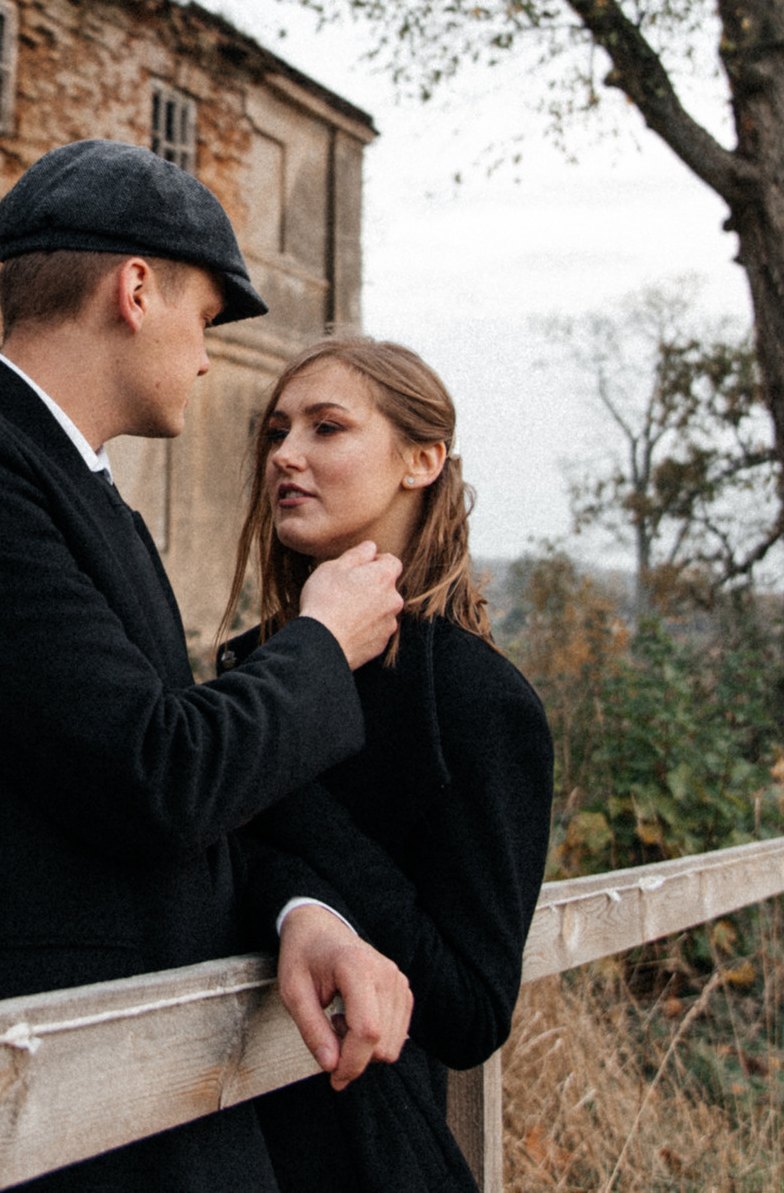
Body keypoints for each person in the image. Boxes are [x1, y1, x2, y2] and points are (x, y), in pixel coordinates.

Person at [0, 140, 418, 1192]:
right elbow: (154, 775)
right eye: (206, 315)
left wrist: (298, 914)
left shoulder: (78, 494)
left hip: (128, 1108)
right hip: (22, 1117)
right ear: (135, 290)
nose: (204, 354)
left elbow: (156, 790)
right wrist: (323, 640)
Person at [220, 339, 555, 1193]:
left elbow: (472, 1006)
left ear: (422, 459)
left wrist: (278, 787)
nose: (286, 454)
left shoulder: (479, 702)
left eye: (327, 427)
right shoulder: (246, 668)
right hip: (200, 1131)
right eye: (276, 431)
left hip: (360, 1157)